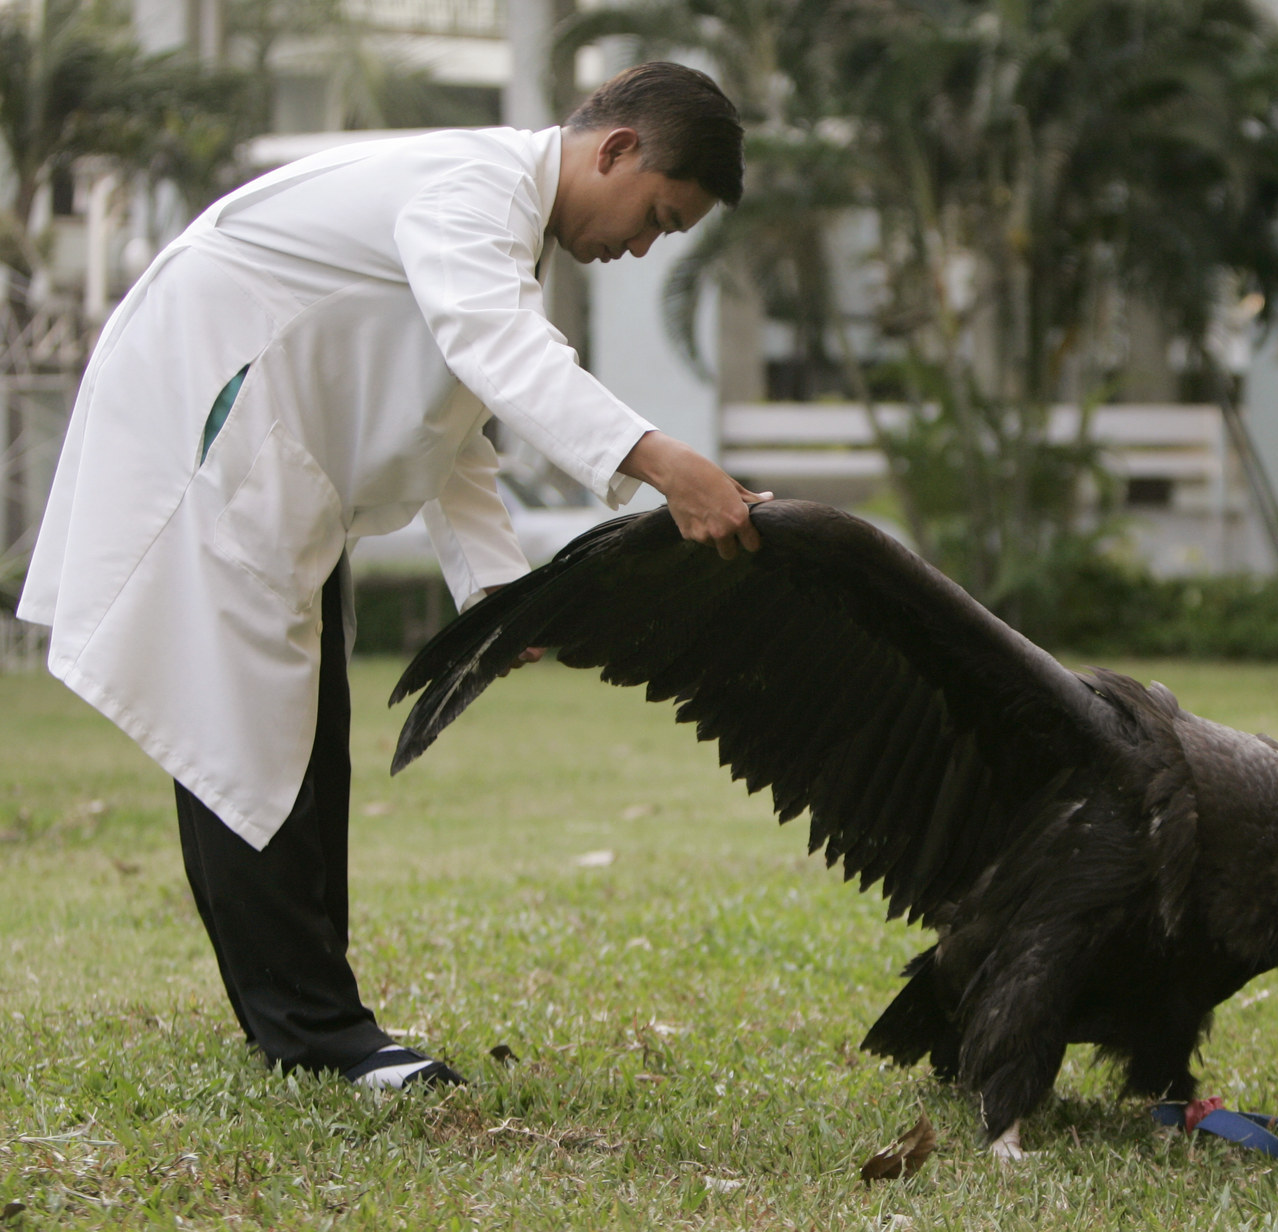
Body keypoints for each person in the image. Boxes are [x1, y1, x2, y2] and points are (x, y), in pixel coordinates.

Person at [17, 61, 770, 1089]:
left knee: (298, 741)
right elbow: (495, 352)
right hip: (211, 425)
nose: (638, 247)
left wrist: (495, 593)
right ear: (617, 150)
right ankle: (317, 1034)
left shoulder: (496, 222)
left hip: (272, 459)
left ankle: (313, 1021)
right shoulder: (474, 191)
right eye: (656, 217)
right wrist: (662, 461)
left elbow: (452, 416)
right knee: (243, 739)